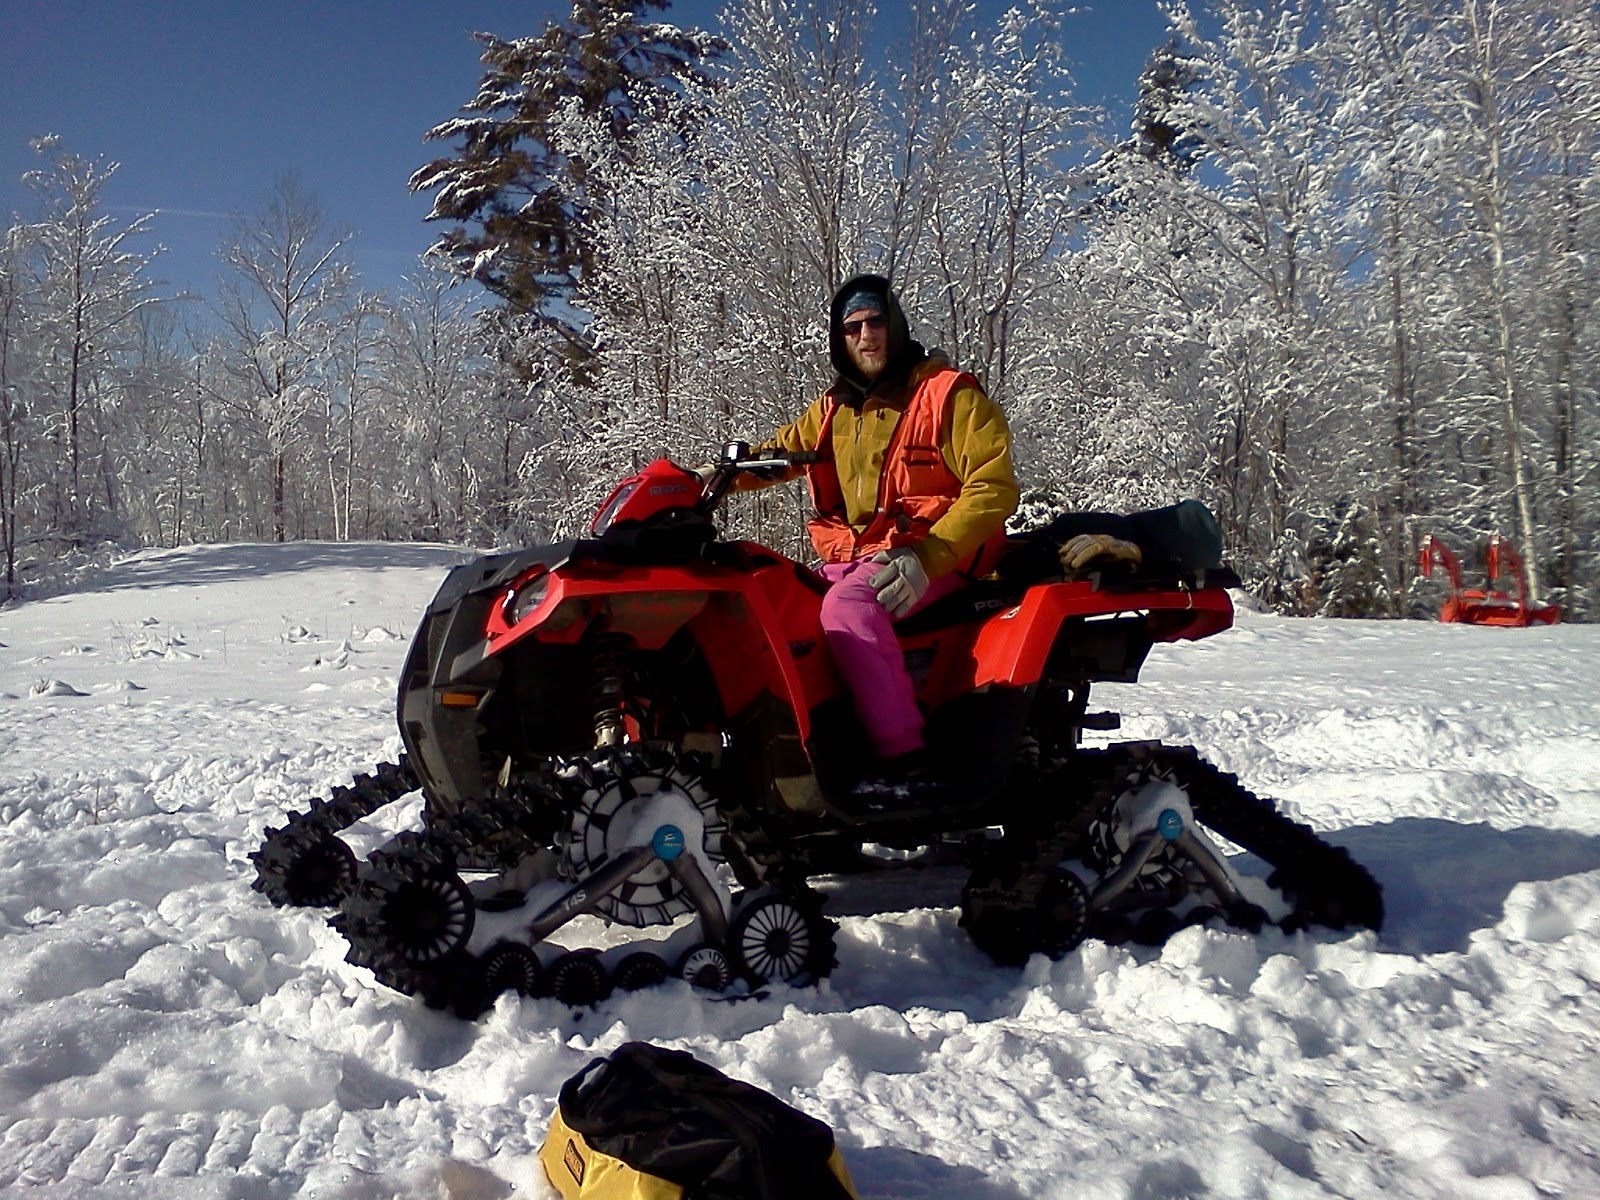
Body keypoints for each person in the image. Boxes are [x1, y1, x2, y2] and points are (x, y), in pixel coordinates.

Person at [733, 273, 1020, 802]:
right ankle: (815, 752)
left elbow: (994, 488)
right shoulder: (835, 409)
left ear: (897, 324)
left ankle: (906, 758)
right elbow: (779, 456)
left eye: (876, 321)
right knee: (775, 599)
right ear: (839, 340)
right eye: (853, 327)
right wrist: (714, 476)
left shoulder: (946, 394)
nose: (867, 336)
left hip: (938, 557)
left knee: (846, 607)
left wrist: (929, 556)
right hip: (861, 555)